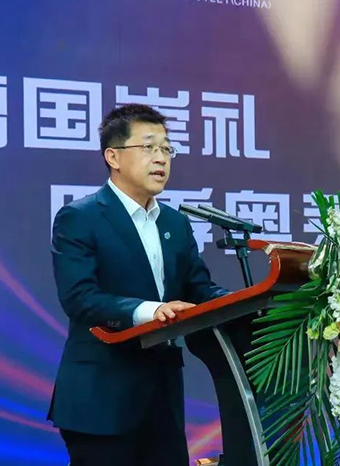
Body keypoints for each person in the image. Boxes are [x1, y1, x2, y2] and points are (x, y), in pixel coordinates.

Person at [47, 103, 229, 466]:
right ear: (113, 156)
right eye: (148, 147)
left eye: (166, 149)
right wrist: (152, 311)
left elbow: (199, 290)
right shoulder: (80, 218)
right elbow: (80, 298)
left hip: (162, 399)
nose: (161, 158)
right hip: (100, 400)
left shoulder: (175, 224)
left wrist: (249, 301)